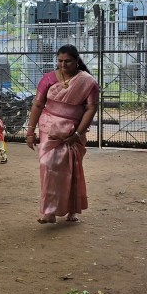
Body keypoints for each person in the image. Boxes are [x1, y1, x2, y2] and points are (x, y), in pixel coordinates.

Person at [25, 45, 99, 224]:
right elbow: (38, 104)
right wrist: (30, 131)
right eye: (60, 61)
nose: (63, 65)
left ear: (77, 61)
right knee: (47, 165)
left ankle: (71, 209)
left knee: (70, 169)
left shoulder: (87, 82)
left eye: (68, 61)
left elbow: (91, 108)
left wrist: (78, 133)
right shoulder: (48, 78)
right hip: (49, 128)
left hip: (73, 130)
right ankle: (49, 211)